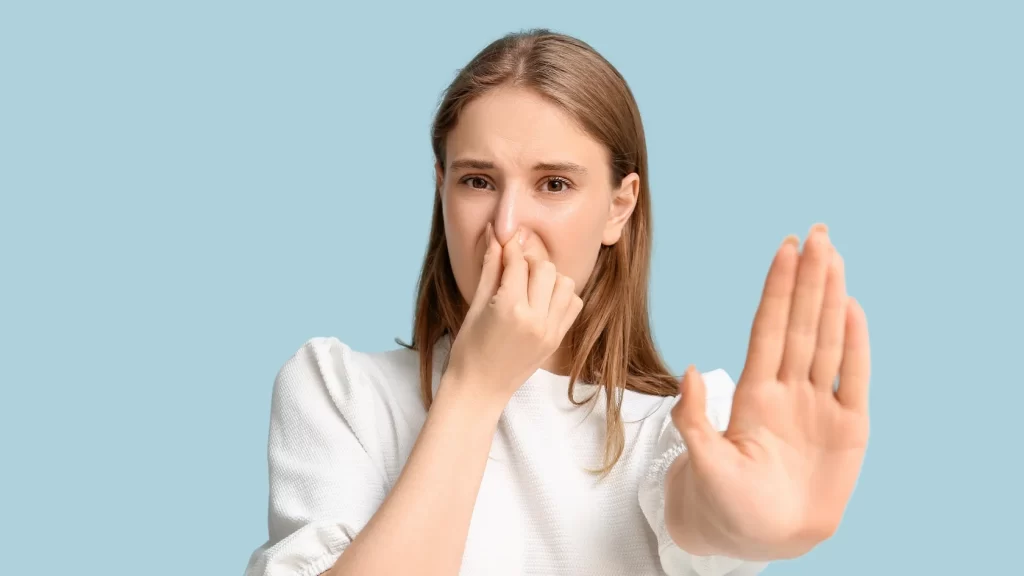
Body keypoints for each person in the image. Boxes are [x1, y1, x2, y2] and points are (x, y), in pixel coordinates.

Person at [243, 28, 871, 576]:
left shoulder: (675, 432)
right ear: (442, 189)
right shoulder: (340, 391)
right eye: (478, 181)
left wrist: (746, 518)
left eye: (555, 184)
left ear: (618, 207)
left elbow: (698, 507)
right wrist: (476, 386)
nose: (508, 225)